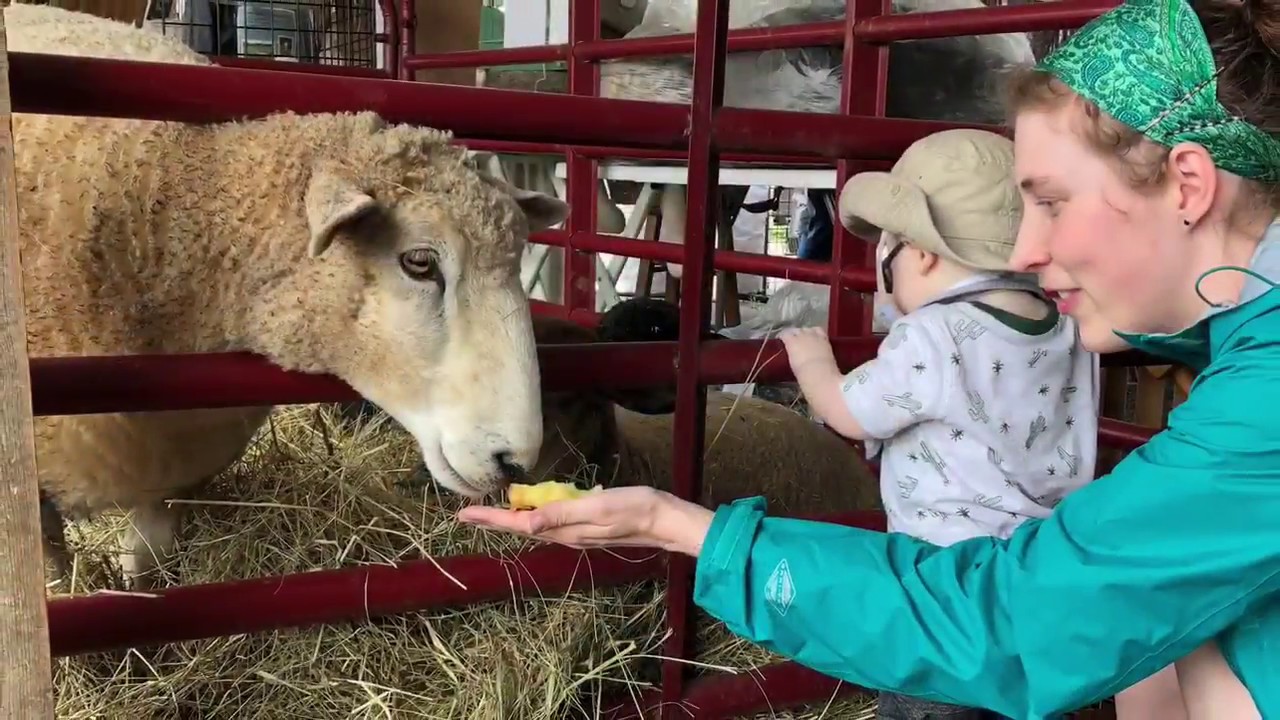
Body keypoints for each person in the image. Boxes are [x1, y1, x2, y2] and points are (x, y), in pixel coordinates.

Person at [457, 0, 1280, 716]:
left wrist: (684, 530)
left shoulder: (1264, 406)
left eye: (1053, 203)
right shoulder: (1233, 336)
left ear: (1189, 184)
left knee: (1176, 649)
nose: (1022, 251)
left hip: (977, 607)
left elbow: (1008, 624)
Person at [777, 127, 1101, 720]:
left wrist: (813, 363)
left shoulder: (932, 334)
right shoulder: (1071, 328)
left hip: (942, 591)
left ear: (919, 253)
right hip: (1038, 575)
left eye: (886, 251)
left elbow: (849, 413)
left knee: (928, 701)